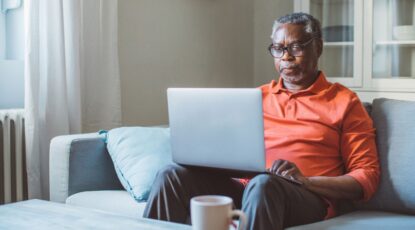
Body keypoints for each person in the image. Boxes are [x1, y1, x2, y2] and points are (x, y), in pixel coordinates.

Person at [143, 12, 380, 230]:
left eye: (296, 47)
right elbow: (227, 151)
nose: (286, 57)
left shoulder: (345, 102)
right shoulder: (255, 98)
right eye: (278, 48)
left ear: (317, 47)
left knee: (265, 184)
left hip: (306, 197)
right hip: (247, 188)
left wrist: (305, 181)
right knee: (171, 175)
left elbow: (366, 176)